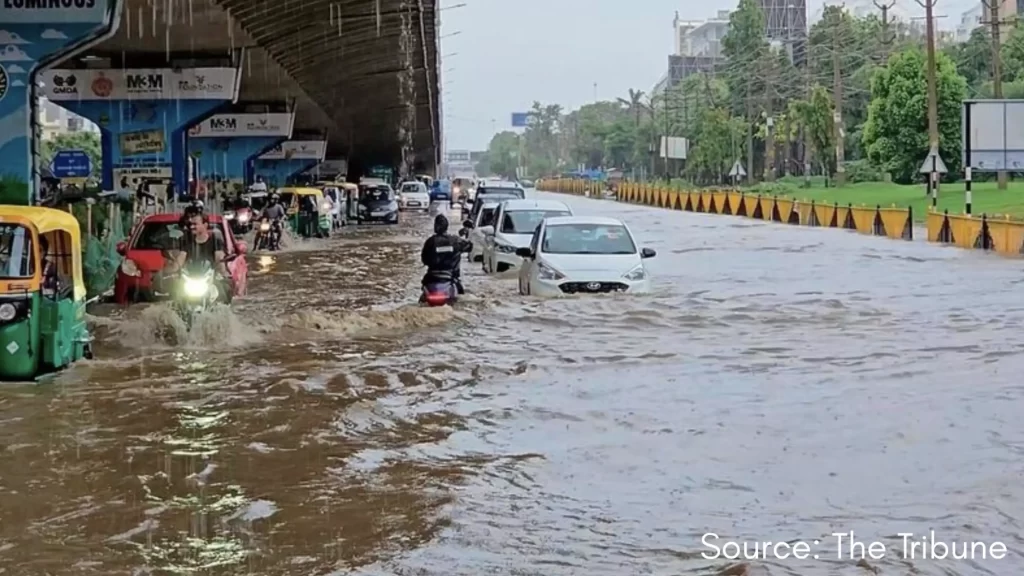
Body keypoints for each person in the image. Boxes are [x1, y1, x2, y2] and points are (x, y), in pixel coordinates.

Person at [421, 214, 471, 295]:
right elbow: (469, 247)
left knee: (423, 292)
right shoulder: (455, 240)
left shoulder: (430, 241)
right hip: (450, 277)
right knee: (461, 294)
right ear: (446, 226)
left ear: (435, 226)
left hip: (432, 277)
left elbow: (424, 259)